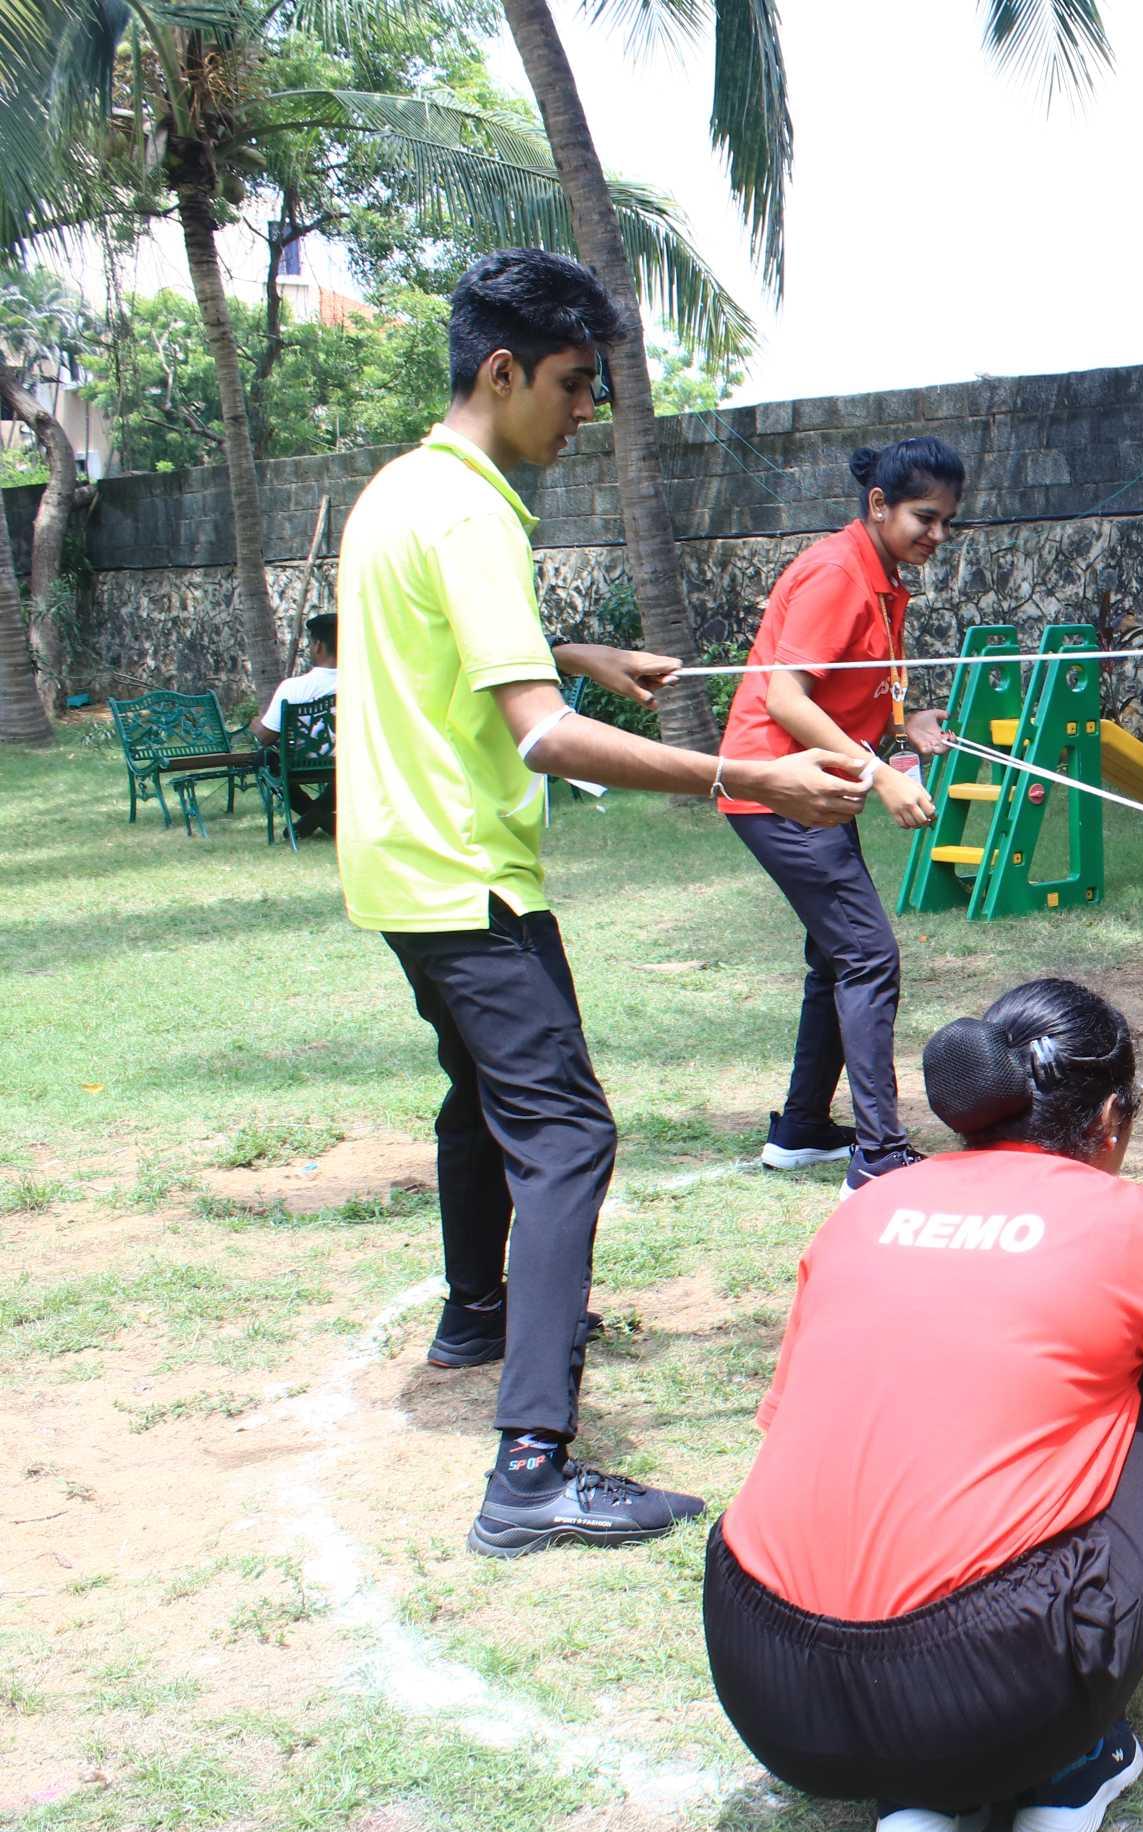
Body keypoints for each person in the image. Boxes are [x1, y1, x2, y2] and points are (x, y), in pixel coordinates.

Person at [336, 247, 870, 1559]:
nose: (586, 411)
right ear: (502, 371)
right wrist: (749, 774)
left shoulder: (403, 492)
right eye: (574, 384)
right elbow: (542, 739)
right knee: (567, 1135)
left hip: (400, 868)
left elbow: (434, 646)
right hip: (467, 872)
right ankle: (531, 1470)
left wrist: (572, 651)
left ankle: (477, 1315)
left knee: (482, 1094)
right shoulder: (473, 513)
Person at [703, 978, 1143, 1832]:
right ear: (1111, 1118)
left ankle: (920, 1788)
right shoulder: (1135, 1225)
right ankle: (1071, 1763)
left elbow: (790, 1425)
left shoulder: (868, 1206)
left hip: (769, 1681)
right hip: (989, 1692)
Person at [718, 437, 966, 1190]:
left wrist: (904, 729)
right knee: (868, 956)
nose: (938, 534)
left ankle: (801, 1130)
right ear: (879, 505)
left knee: (838, 957)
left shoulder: (880, 576)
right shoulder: (837, 573)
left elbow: (847, 695)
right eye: (925, 517)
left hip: (816, 784)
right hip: (778, 785)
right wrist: (881, 776)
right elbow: (784, 699)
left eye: (947, 521)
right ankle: (880, 1153)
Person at [255, 612, 342, 836]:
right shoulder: (366, 684)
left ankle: (314, 818)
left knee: (264, 758)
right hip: (351, 761)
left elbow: (266, 737)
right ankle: (320, 818)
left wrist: (255, 724)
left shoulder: (293, 687)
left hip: (302, 761)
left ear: (318, 646)